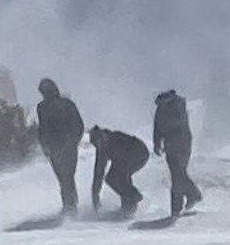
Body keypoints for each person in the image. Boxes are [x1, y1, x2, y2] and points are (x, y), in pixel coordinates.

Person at [34, 78, 85, 214]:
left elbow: (78, 125)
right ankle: (70, 206)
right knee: (64, 178)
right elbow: (42, 129)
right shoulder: (42, 107)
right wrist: (45, 145)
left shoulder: (66, 104)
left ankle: (70, 207)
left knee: (66, 177)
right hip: (56, 148)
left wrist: (73, 142)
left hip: (65, 147)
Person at [152, 90, 203, 217]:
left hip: (181, 144)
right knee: (177, 174)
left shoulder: (177, 105)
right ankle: (182, 204)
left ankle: (189, 198)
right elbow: (157, 128)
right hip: (171, 145)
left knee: (178, 173)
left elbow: (178, 124)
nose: (159, 105)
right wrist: (157, 144)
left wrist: (165, 141)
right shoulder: (161, 109)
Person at [89, 124, 151, 214]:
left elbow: (122, 167)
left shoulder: (115, 138)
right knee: (115, 177)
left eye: (98, 141)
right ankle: (128, 206)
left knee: (115, 177)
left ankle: (132, 200)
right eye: (95, 144)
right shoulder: (102, 149)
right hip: (131, 156)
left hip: (140, 153)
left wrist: (131, 193)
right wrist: (95, 199)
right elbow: (98, 174)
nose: (98, 145)